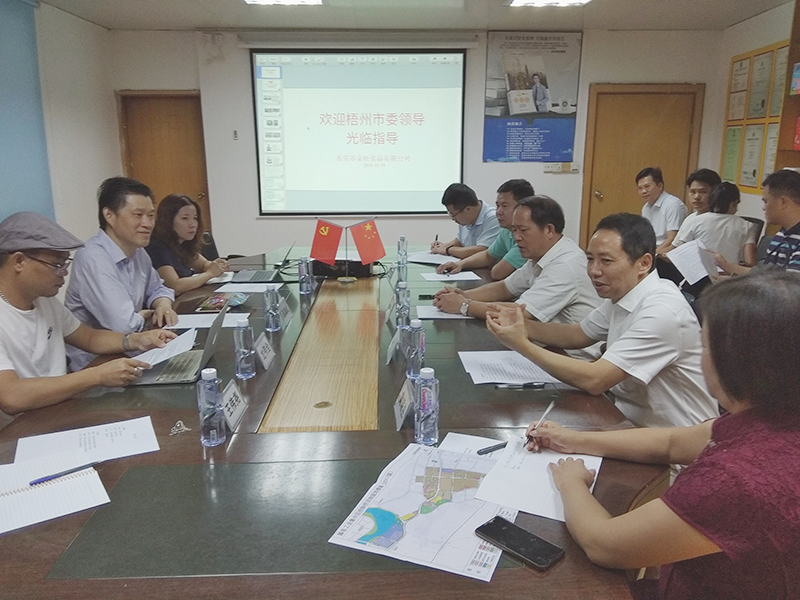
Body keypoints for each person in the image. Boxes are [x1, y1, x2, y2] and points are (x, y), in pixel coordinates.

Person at [526, 270, 800, 600]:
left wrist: (571, 482)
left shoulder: (735, 480)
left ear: (739, 363)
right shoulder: (776, 417)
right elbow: (672, 443)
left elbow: (604, 544)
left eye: (704, 346)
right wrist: (573, 439)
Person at [486, 213, 717, 429]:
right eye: (590, 259)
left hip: (675, 443)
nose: (594, 271)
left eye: (606, 261)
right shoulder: (624, 293)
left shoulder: (662, 311)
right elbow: (576, 334)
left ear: (644, 263)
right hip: (627, 423)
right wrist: (520, 325)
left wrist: (521, 344)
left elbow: (595, 379)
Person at [0, 212, 175, 416]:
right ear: (19, 261)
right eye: (57, 265)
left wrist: (138, 340)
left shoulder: (44, 301)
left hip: (59, 409)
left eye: (65, 264)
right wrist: (98, 376)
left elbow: (89, 338)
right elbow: (11, 396)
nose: (64, 273)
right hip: (23, 427)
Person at [434, 196, 599, 329]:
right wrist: (462, 295)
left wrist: (464, 305)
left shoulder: (565, 265)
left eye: (523, 230)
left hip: (569, 354)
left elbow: (519, 313)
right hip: (546, 342)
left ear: (549, 230)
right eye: (514, 230)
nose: (516, 237)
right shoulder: (540, 256)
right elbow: (505, 288)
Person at [66, 177, 178, 371]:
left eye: (151, 216)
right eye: (138, 215)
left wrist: (163, 305)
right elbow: (124, 326)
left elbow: (158, 288)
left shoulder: (138, 252)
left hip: (134, 350)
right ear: (109, 215)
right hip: (95, 365)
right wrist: (146, 316)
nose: (147, 224)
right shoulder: (94, 258)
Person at [436, 179, 533, 280]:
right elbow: (488, 255)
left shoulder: (528, 237)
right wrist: (460, 264)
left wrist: (448, 250)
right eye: (498, 206)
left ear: (523, 208)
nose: (498, 212)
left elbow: (497, 273)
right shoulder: (507, 231)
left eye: (505, 206)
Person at [716, 169, 800, 275]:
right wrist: (726, 270)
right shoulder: (781, 235)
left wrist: (728, 268)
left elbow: (790, 283)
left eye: (766, 202)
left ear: (783, 202)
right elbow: (763, 273)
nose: (764, 208)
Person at [146, 194, 229, 295]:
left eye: (195, 218)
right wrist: (210, 274)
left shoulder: (182, 242)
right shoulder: (156, 247)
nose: (192, 224)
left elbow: (204, 265)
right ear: (168, 221)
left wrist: (216, 265)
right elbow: (175, 286)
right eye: (185, 218)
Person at [672, 182, 757, 266]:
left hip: (697, 272)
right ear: (734, 203)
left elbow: (678, 253)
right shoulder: (747, 226)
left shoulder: (694, 220)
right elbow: (750, 262)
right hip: (730, 273)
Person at [429, 183, 501, 259]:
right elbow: (460, 241)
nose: (453, 218)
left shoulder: (494, 219)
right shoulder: (467, 218)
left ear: (468, 209)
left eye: (453, 214)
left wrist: (448, 249)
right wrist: (443, 246)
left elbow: (481, 251)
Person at [636, 167, 687, 255]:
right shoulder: (646, 208)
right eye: (640, 188)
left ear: (660, 186)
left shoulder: (672, 204)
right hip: (653, 251)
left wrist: (653, 255)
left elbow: (672, 238)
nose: (643, 191)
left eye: (647, 187)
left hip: (669, 253)